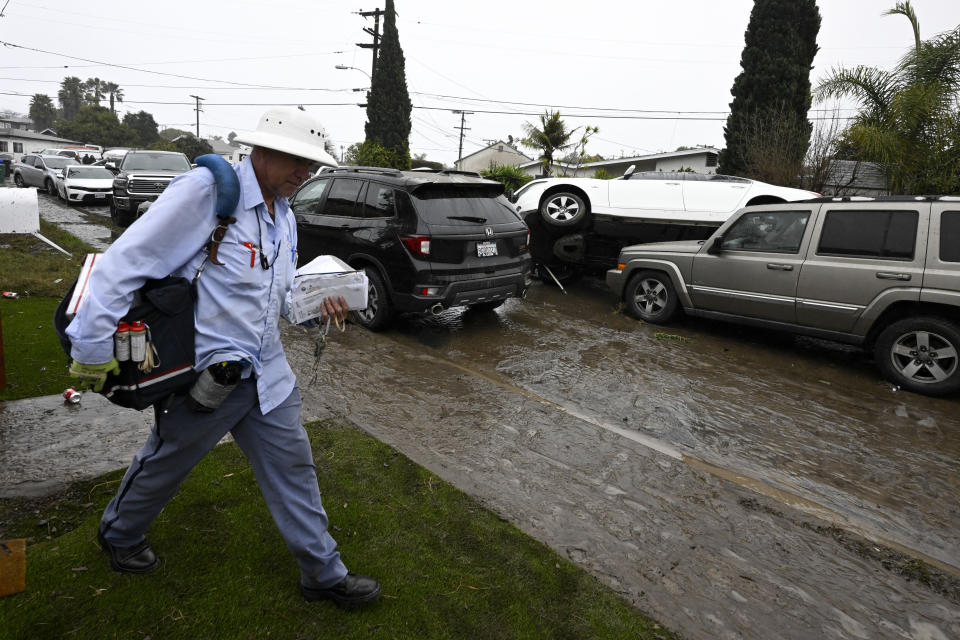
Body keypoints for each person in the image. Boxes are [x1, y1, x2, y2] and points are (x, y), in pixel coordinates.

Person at [64, 107, 381, 609]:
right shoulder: (207, 193)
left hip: (268, 374)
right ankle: (120, 535)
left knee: (295, 468)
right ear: (262, 150)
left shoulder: (284, 215)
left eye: (314, 165)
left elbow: (276, 297)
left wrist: (318, 306)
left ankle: (323, 573)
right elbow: (121, 266)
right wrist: (91, 350)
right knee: (167, 461)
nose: (307, 173)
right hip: (206, 377)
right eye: (298, 161)